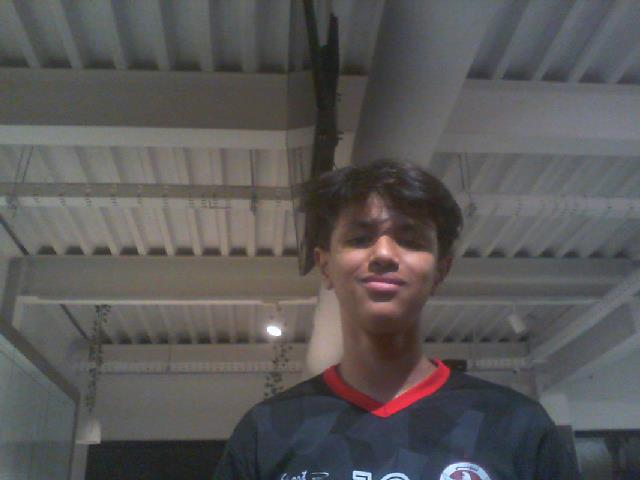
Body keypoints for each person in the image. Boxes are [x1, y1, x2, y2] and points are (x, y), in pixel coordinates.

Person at [214, 159, 579, 480]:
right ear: (325, 266)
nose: (384, 254)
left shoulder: (515, 425)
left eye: (411, 240)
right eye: (360, 238)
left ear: (440, 270)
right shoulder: (267, 430)